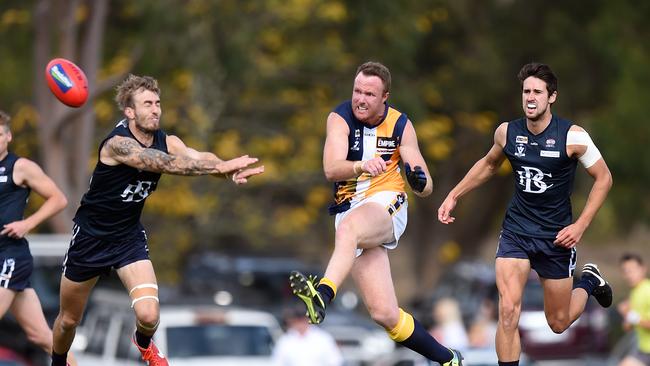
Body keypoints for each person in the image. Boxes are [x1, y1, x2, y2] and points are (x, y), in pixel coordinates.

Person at [50, 75, 264, 366]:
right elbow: (161, 163)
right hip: (90, 238)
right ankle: (58, 361)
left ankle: (142, 343)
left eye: (158, 103)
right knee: (68, 321)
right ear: (129, 111)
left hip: (128, 238)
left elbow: (196, 156)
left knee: (149, 315)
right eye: (147, 104)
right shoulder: (117, 145)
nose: (155, 109)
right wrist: (219, 166)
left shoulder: (168, 140)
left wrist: (225, 170)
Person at [437, 62, 613, 366]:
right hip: (516, 232)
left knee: (558, 322)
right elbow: (489, 164)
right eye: (526, 91)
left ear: (552, 97)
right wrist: (454, 194)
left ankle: (588, 283)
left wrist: (581, 225)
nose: (530, 97)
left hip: (556, 238)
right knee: (508, 310)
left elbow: (604, 178)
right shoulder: (507, 132)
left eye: (537, 92)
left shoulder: (573, 136)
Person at [289, 61, 463, 365]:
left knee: (349, 230)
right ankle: (448, 358)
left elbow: (426, 185)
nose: (360, 99)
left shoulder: (400, 124)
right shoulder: (340, 118)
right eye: (357, 91)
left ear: (385, 97)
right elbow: (331, 168)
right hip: (349, 211)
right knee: (384, 314)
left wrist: (419, 181)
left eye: (369, 94)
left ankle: (323, 293)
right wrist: (360, 166)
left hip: (386, 202)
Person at [0, 110, 76, 365]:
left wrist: (27, 223)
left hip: (10, 256)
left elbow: (59, 199)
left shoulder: (20, 167)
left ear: (8, 136)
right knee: (42, 336)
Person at [272, 305, 343, 366]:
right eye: (298, 319)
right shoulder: (285, 340)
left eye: (303, 318)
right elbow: (277, 362)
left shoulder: (323, 339)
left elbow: (335, 362)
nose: (300, 322)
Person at [617, 253, 650, 366]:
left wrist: (630, 315)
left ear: (643, 269)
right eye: (625, 271)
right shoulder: (634, 293)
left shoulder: (648, 290)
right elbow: (628, 327)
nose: (629, 275)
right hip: (644, 351)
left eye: (632, 270)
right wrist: (626, 316)